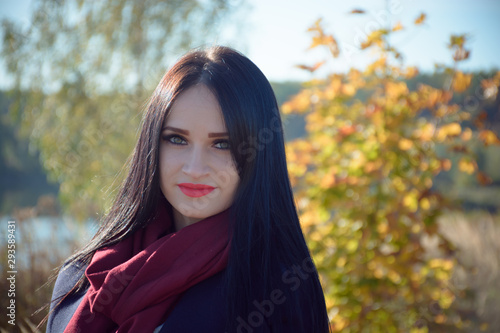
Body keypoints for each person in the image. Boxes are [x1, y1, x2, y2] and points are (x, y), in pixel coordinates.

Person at [46, 45, 331, 332]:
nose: (195, 168)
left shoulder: (278, 293)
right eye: (177, 139)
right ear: (152, 143)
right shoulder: (79, 277)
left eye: (223, 144)